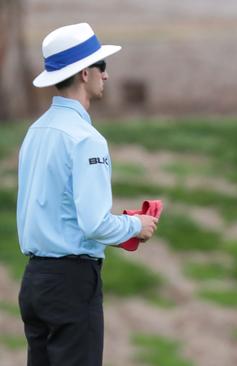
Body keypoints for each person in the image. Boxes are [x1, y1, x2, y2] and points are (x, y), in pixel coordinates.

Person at [17, 23, 158, 366]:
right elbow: (94, 224)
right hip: (71, 284)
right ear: (84, 73)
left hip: (34, 282)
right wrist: (135, 226)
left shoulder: (36, 132)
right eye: (102, 67)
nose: (106, 76)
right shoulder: (86, 139)